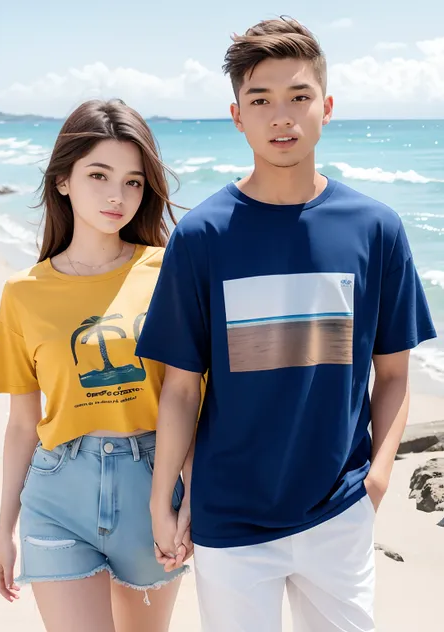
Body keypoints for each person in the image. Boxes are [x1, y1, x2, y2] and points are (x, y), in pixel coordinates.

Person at [136, 17, 437, 632]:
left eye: (299, 97)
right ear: (236, 115)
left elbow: (395, 375)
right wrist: (161, 498)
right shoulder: (202, 236)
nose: (282, 116)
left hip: (340, 513)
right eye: (261, 100)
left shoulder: (375, 228)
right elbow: (181, 387)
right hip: (231, 519)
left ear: (326, 107)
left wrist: (376, 481)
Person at [0, 99, 192, 632]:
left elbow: (193, 399)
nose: (115, 196)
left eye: (132, 182)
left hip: (153, 486)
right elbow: (20, 424)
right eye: (98, 175)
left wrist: (186, 497)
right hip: (57, 492)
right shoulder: (23, 294)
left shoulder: (169, 270)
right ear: (62, 180)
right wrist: (4, 530)